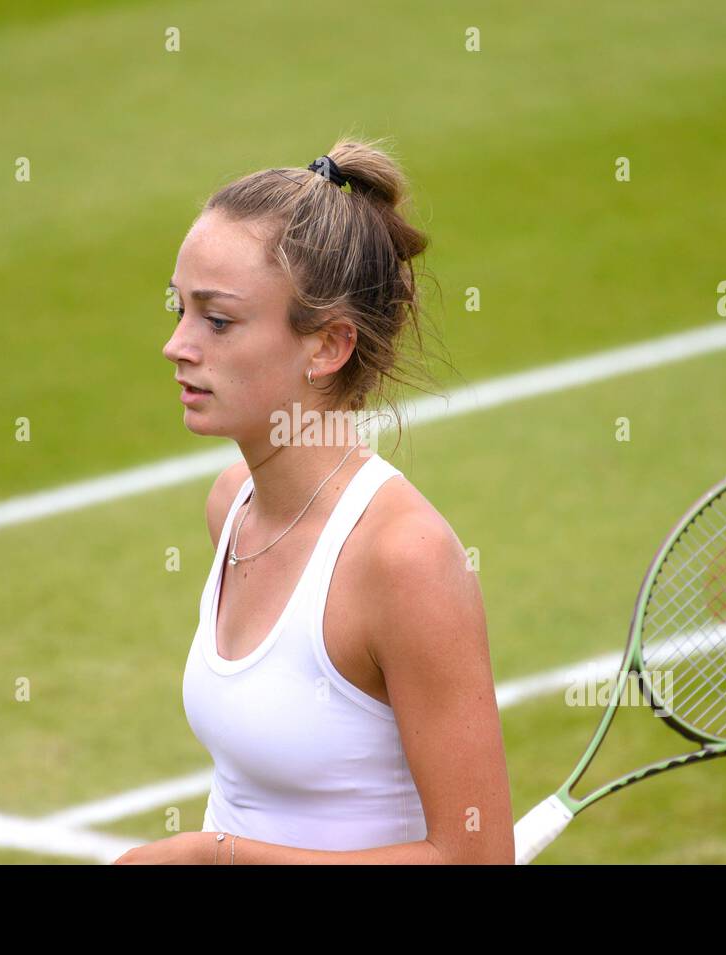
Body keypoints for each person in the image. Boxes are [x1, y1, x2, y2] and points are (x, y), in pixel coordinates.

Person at [116, 137, 512, 863]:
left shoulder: (404, 560)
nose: (177, 344)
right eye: (180, 309)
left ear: (327, 346)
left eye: (218, 320)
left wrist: (219, 857)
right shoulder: (232, 504)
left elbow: (476, 859)